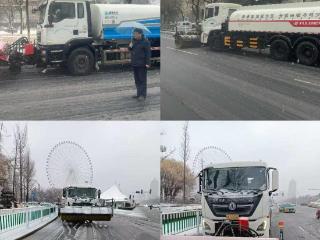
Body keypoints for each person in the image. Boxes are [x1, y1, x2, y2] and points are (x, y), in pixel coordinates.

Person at [129, 28, 151, 101]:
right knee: (137, 80)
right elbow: (130, 50)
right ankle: (138, 94)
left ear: (140, 34)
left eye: (135, 34)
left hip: (142, 64)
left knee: (142, 80)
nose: (134, 35)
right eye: (133, 34)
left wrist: (148, 63)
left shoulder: (145, 42)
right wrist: (130, 46)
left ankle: (143, 95)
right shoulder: (133, 41)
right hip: (135, 63)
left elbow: (148, 53)